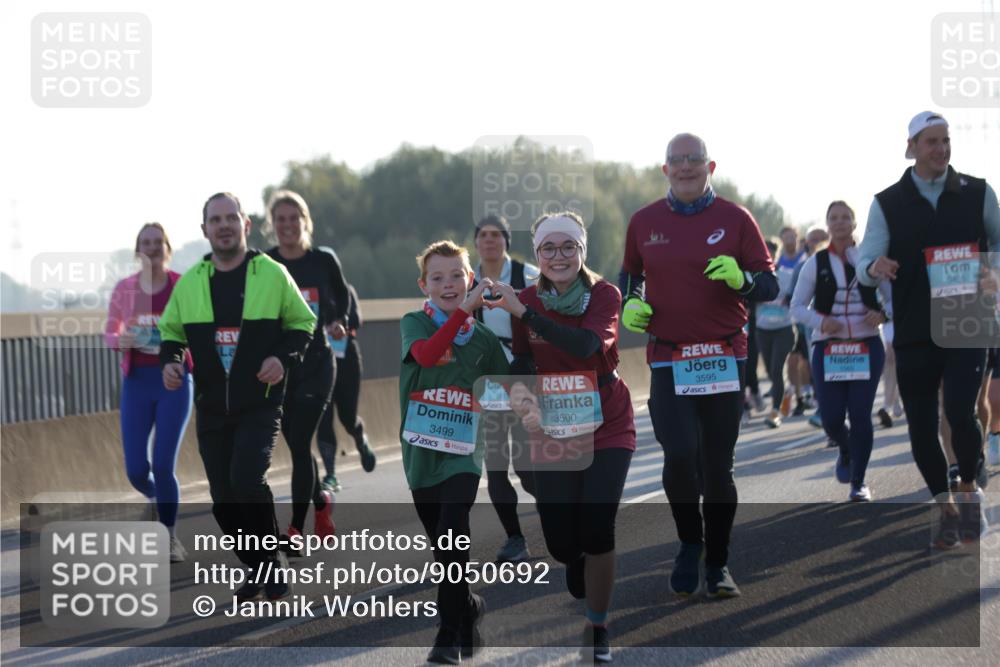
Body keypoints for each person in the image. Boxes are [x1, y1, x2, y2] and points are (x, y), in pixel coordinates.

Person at [620, 133, 778, 601]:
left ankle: (719, 562)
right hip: (669, 356)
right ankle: (690, 543)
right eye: (677, 160)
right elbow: (630, 273)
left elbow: (768, 285)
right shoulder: (644, 221)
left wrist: (743, 278)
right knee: (679, 456)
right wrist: (631, 302)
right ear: (665, 169)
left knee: (716, 467)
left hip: (725, 354)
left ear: (710, 168)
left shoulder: (736, 218)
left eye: (695, 160)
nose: (686, 167)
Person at [490, 211, 635, 663]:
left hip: (607, 419)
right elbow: (521, 360)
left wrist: (525, 311)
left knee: (597, 527)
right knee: (560, 542)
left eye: (567, 247)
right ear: (537, 255)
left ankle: (598, 624)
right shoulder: (526, 298)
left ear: (581, 251)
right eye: (548, 249)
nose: (558, 256)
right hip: (553, 424)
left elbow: (586, 347)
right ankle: (576, 561)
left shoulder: (604, 295)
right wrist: (518, 393)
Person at [159, 192, 316, 600]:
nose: (224, 225)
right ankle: (259, 564)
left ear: (246, 225)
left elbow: (303, 324)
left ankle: (272, 559)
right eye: (216, 220)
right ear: (205, 230)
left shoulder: (272, 273)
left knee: (247, 479)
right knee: (223, 502)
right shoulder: (192, 281)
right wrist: (172, 362)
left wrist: (283, 358)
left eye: (231, 217)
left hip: (260, 402)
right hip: (212, 405)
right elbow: (171, 333)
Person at [858, 111, 1000, 547]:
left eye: (946, 140)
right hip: (916, 323)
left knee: (959, 409)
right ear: (912, 148)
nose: (941, 149)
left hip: (966, 318)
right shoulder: (887, 202)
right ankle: (943, 504)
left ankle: (969, 488)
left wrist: (994, 272)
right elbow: (866, 262)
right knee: (920, 424)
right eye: (931, 142)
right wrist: (874, 267)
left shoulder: (977, 192)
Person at [399, 241, 508, 664]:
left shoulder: (482, 339)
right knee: (443, 547)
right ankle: (469, 608)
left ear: (471, 280)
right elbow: (426, 355)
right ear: (424, 285)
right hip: (421, 454)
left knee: (452, 529)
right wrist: (465, 312)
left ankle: (446, 635)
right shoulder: (414, 323)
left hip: (464, 452)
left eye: (457, 276)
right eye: (438, 278)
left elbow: (504, 386)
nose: (448, 284)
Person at [265, 190, 350, 544]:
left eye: (293, 218)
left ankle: (296, 528)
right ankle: (320, 501)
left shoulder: (323, 261)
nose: (287, 225)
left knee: (300, 441)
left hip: (317, 361)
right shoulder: (265, 263)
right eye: (280, 219)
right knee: (298, 445)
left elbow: (342, 295)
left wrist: (338, 320)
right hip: (281, 367)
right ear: (272, 225)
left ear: (305, 222)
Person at [791, 201, 891, 501]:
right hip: (828, 349)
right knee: (832, 419)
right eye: (833, 218)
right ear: (827, 223)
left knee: (861, 414)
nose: (839, 222)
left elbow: (893, 301)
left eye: (845, 217)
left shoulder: (871, 260)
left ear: (855, 222)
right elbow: (796, 307)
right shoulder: (815, 263)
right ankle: (846, 447)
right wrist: (822, 321)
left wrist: (882, 314)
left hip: (867, 346)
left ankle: (859, 482)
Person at [105, 223, 192, 562]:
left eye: (158, 242)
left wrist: (181, 349)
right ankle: (156, 497)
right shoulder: (124, 289)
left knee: (163, 462)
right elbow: (110, 332)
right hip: (137, 381)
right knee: (137, 470)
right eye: (146, 243)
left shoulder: (181, 286)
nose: (152, 248)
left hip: (173, 380)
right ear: (137, 250)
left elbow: (197, 327)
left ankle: (169, 536)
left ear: (167, 248)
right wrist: (119, 340)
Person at [472, 214, 540, 563]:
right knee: (495, 466)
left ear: (506, 241)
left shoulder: (527, 276)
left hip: (525, 380)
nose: (489, 241)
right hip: (490, 385)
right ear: (476, 242)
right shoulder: (467, 280)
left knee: (528, 468)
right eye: (483, 235)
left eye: (496, 235)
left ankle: (557, 510)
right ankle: (515, 538)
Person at [316, 283, 377, 493]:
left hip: (345, 360)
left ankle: (359, 437)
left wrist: (341, 323)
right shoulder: (306, 290)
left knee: (347, 416)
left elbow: (357, 318)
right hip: (316, 363)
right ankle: (331, 473)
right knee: (322, 417)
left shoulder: (345, 290)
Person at [756, 238, 797, 429]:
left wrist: (789, 300)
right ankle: (786, 390)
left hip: (784, 329)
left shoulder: (787, 276)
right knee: (772, 373)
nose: (768, 256)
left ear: (776, 254)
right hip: (763, 330)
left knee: (776, 368)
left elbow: (798, 298)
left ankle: (774, 412)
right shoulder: (756, 277)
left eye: (771, 253)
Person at [776, 227, 814, 416]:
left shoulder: (803, 259)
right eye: (786, 236)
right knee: (792, 360)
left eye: (792, 236)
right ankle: (799, 396)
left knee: (807, 361)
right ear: (781, 239)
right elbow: (787, 294)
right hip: (788, 317)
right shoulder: (778, 260)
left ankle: (809, 391)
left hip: (810, 318)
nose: (789, 239)